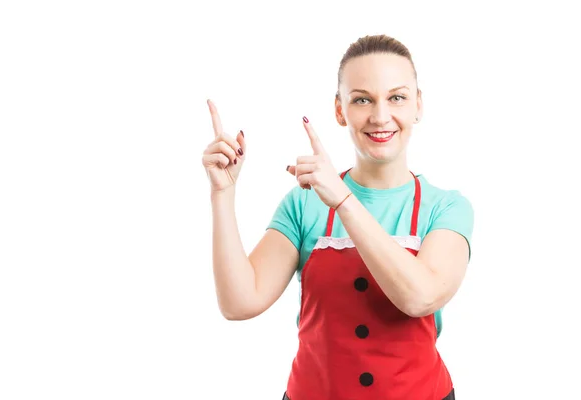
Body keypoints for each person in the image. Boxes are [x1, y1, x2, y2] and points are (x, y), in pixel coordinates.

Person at [202, 34, 474, 400]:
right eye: (362, 99)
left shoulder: (447, 208)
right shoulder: (303, 204)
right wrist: (223, 193)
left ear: (418, 105)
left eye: (397, 97)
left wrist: (344, 200)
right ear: (339, 110)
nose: (380, 116)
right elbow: (239, 302)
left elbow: (420, 297)